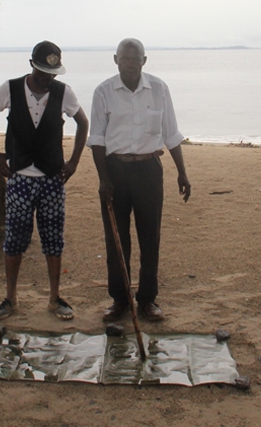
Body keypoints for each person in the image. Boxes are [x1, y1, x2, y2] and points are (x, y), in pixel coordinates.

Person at [0, 41, 89, 321]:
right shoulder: (10, 89)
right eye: (42, 73)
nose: (47, 79)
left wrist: (74, 161)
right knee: (14, 241)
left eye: (52, 74)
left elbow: (83, 123)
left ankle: (55, 298)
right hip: (20, 180)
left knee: (53, 240)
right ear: (31, 65)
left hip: (52, 180)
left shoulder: (64, 93)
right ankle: (10, 299)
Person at [88, 38, 191, 323]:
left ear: (144, 61)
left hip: (148, 171)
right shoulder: (104, 91)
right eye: (124, 58)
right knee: (116, 240)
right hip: (115, 172)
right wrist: (104, 179)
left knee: (150, 238)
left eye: (135, 59)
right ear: (115, 59)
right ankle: (120, 300)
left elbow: (171, 133)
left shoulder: (158, 89)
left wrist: (182, 172)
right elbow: (96, 139)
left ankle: (147, 300)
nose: (130, 63)